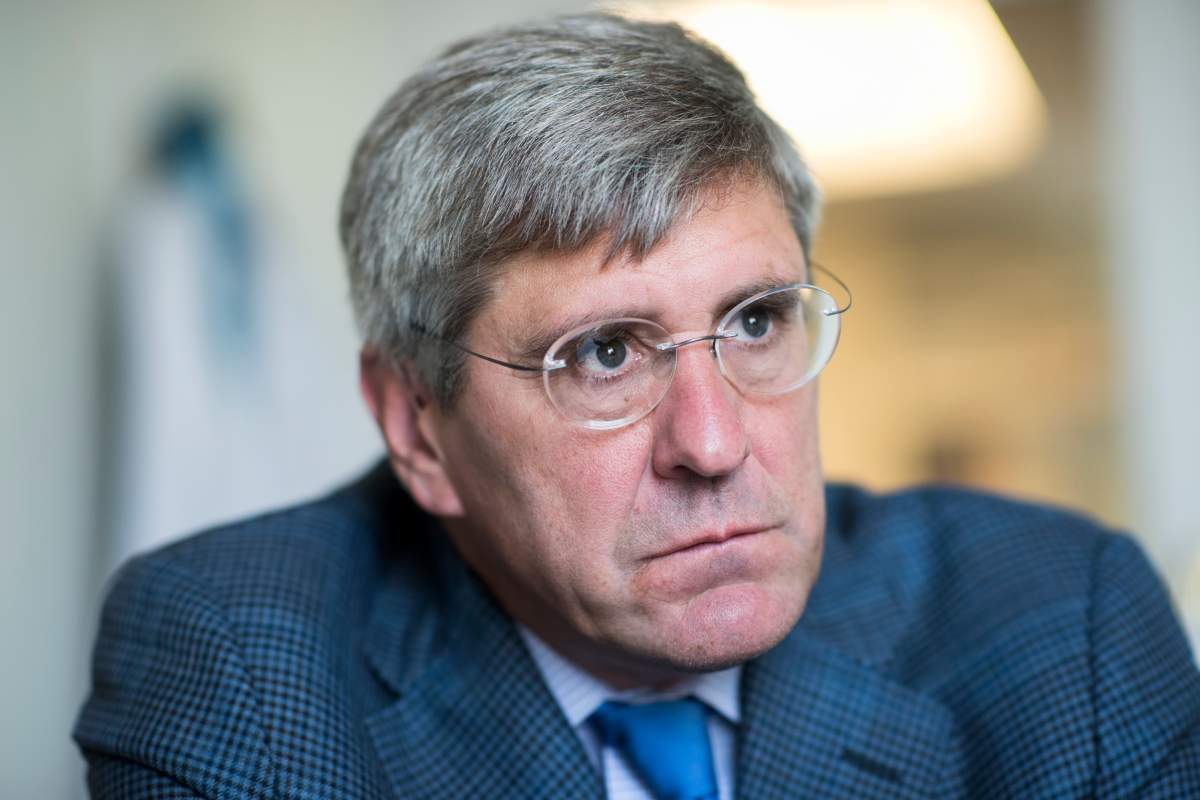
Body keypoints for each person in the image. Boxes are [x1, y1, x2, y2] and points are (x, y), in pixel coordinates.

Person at [74, 12, 1200, 799]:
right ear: (418, 426)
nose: (714, 442)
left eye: (755, 321)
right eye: (604, 353)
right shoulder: (240, 660)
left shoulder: (1064, 621)